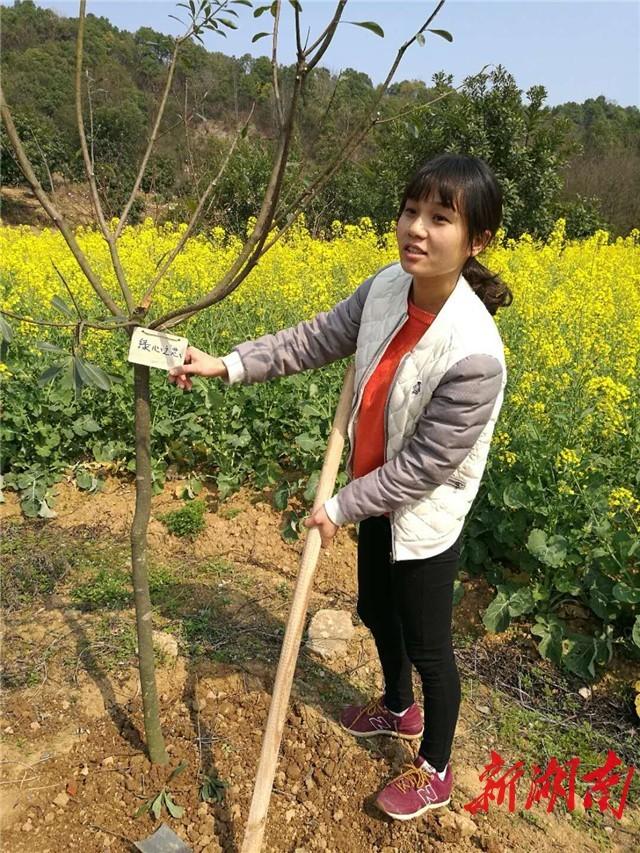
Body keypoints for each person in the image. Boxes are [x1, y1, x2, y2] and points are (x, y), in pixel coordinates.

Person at [168, 153, 513, 821]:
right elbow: (315, 338)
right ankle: (397, 707)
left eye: (439, 218)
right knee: (375, 610)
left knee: (430, 642)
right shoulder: (387, 286)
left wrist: (337, 505)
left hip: (423, 510)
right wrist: (226, 364)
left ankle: (436, 766)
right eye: (410, 211)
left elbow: (424, 468)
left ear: (475, 242)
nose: (415, 228)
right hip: (369, 488)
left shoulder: (474, 351)